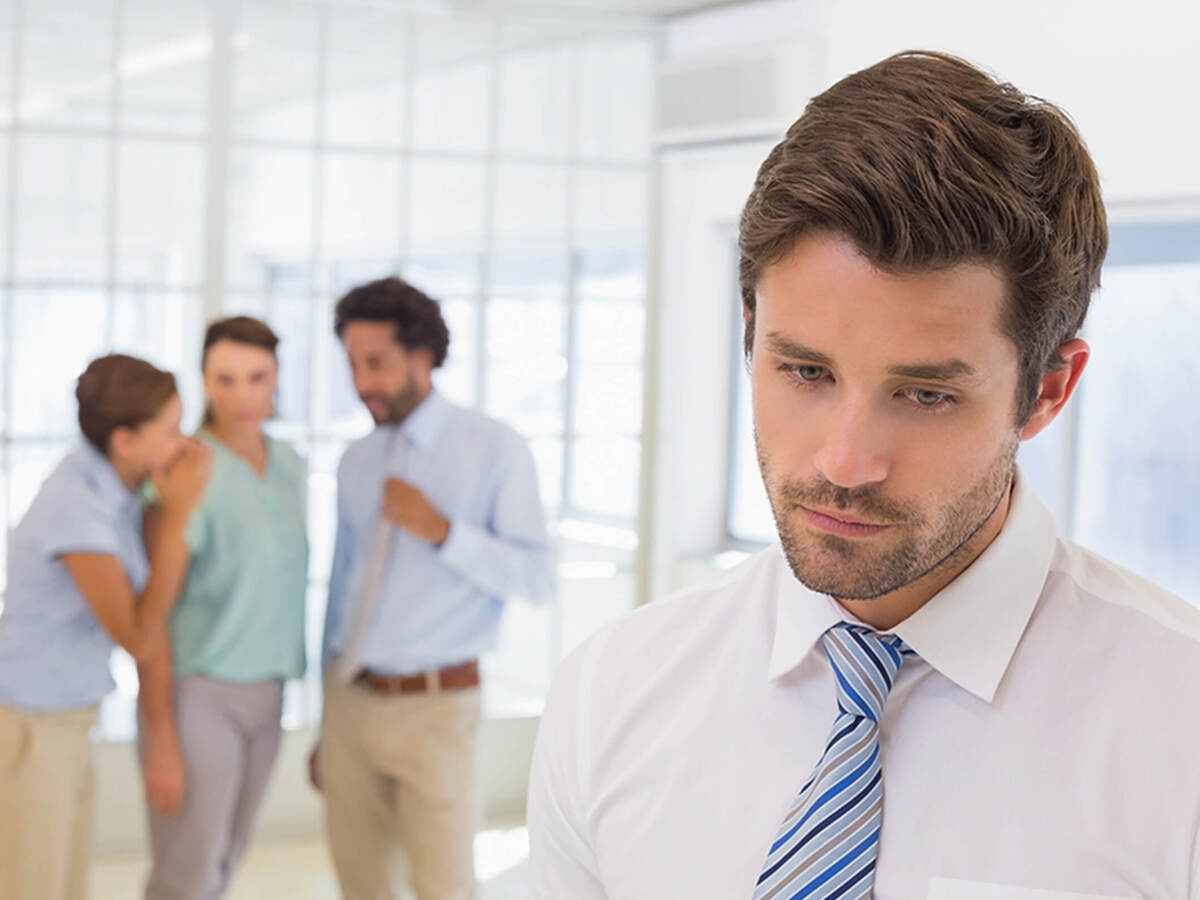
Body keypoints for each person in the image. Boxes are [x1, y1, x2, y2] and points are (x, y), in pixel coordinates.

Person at [527, 51, 1200, 899]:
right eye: (805, 372)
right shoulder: (611, 693)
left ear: (1048, 391)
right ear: (750, 335)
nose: (844, 463)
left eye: (924, 393)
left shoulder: (1184, 731)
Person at [309, 276, 554, 899]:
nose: (362, 382)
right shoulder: (357, 460)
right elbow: (342, 597)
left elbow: (536, 577)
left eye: (376, 363)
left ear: (423, 356)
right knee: (361, 885)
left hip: (437, 711)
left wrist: (443, 531)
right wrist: (323, 719)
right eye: (352, 364)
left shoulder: (494, 448)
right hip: (349, 706)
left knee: (444, 888)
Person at [0, 354, 211, 900]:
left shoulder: (117, 490)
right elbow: (139, 636)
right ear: (125, 441)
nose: (183, 445)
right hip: (28, 731)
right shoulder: (77, 507)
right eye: (170, 431)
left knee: (64, 886)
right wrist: (180, 515)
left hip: (64, 724)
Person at [137, 317, 309, 899]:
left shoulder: (290, 465)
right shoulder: (185, 467)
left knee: (227, 863)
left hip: (270, 695)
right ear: (204, 382)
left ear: (277, 377)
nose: (242, 396)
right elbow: (151, 616)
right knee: (186, 873)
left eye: (257, 377)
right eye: (225, 379)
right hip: (198, 692)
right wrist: (161, 732)